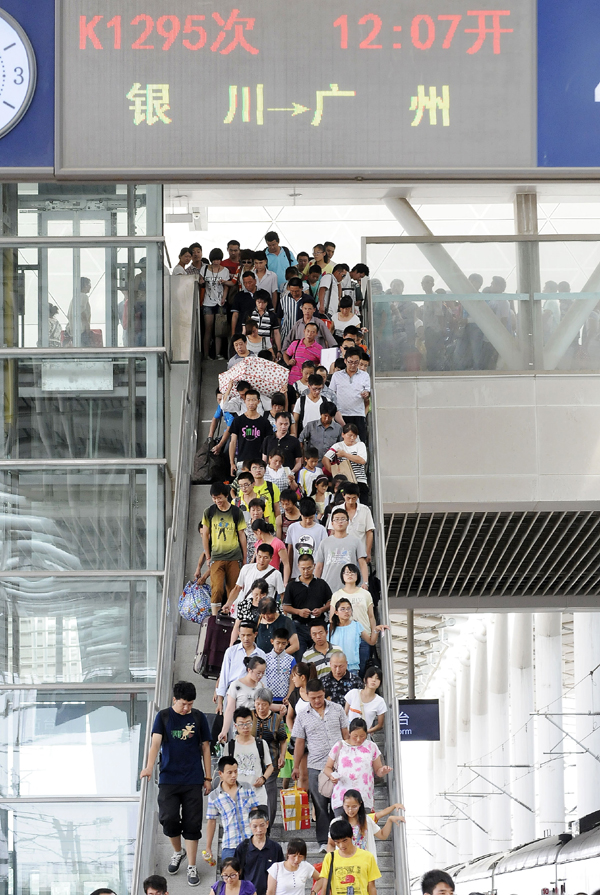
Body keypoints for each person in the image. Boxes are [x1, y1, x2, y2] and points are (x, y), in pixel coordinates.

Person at [140, 681, 212, 887]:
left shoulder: (198, 718)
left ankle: (191, 865)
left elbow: (206, 747)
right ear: (174, 700)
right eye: (183, 704)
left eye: (190, 704)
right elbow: (155, 743)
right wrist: (149, 766)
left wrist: (208, 778)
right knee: (169, 818)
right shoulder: (163, 716)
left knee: (192, 823)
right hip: (169, 778)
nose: (187, 708)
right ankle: (177, 851)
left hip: (193, 779)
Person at [291, 679, 349, 851]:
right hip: (316, 765)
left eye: (320, 697)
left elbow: (345, 734)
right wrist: (295, 766)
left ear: (325, 693)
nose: (317, 701)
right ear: (307, 696)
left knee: (338, 804)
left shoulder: (337, 708)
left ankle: (340, 839)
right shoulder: (302, 715)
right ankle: (324, 841)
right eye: (313, 698)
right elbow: (300, 743)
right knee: (320, 805)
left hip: (339, 765)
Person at [322, 718, 390, 814]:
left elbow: (378, 770)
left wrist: (383, 770)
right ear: (349, 733)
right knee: (342, 827)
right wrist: (332, 775)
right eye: (355, 736)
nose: (359, 739)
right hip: (342, 797)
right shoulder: (340, 746)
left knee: (362, 827)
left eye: (362, 736)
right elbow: (327, 767)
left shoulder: (372, 746)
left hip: (364, 797)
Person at [202, 484, 247, 615]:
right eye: (214, 498)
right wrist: (208, 557)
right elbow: (205, 535)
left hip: (234, 557)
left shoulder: (236, 512)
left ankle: (233, 617)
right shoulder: (209, 512)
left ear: (226, 496)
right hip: (216, 557)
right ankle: (215, 618)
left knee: (233, 589)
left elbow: (241, 535)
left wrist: (244, 558)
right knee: (216, 588)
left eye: (220, 497)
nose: (217, 501)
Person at [206, 756, 261, 862]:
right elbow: (211, 822)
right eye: (229, 772)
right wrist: (208, 847)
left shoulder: (247, 788)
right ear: (220, 774)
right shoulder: (214, 796)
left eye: (236, 771)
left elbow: (255, 812)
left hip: (252, 841)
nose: (234, 775)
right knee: (229, 876)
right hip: (230, 844)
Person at [220, 707, 274, 811]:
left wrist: (263, 778)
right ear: (235, 726)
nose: (245, 727)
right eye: (241, 724)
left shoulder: (261, 744)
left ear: (253, 723)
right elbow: (225, 771)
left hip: (258, 796)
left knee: (259, 826)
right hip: (236, 796)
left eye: (248, 723)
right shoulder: (230, 746)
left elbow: (270, 766)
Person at [332, 565, 382, 676]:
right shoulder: (337, 595)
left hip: (364, 635)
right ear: (342, 576)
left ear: (357, 575)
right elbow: (332, 617)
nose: (349, 575)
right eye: (346, 572)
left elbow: (371, 616)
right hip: (345, 637)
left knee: (362, 668)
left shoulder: (365, 594)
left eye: (352, 572)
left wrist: (374, 631)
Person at [326, 790, 404, 859]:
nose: (350, 810)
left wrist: (390, 820)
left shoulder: (367, 820)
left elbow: (382, 835)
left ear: (360, 804)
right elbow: (331, 843)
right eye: (347, 806)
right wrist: (330, 860)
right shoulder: (336, 822)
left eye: (354, 806)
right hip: (344, 863)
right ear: (343, 805)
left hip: (365, 863)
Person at [283, 553, 332, 660]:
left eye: (309, 568)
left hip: (318, 626)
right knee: (301, 657)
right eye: (303, 568)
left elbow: (331, 602)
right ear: (298, 567)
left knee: (320, 656)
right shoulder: (292, 585)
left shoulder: (321, 583)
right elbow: (285, 606)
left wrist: (321, 610)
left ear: (314, 566)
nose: (306, 571)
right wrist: (298, 612)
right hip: (299, 627)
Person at [251, 689, 289, 825]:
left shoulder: (277, 719)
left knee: (269, 789)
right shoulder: (249, 717)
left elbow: (283, 740)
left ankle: (268, 823)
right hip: (252, 762)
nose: (260, 708)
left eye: (264, 704)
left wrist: (282, 756)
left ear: (270, 704)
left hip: (271, 761)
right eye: (258, 704)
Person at [215, 622, 267, 715]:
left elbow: (264, 679)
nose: (246, 638)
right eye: (243, 635)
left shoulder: (261, 654)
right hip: (232, 693)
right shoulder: (231, 651)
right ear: (238, 634)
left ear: (255, 634)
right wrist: (220, 702)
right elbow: (224, 676)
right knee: (231, 725)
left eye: (249, 635)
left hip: (253, 694)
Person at [318, 819, 381, 895]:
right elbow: (325, 886)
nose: (341, 846)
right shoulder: (330, 858)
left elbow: (371, 887)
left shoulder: (367, 857)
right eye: (337, 842)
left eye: (345, 840)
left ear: (351, 836)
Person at [314, 508, 368, 594]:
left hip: (350, 587)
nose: (340, 522)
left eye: (343, 519)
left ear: (348, 522)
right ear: (332, 523)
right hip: (327, 586)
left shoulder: (356, 541)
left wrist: (365, 582)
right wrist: (315, 585)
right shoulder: (325, 542)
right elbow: (319, 566)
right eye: (336, 519)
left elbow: (362, 563)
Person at [234, 808, 283, 895]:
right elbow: (236, 873)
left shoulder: (275, 848)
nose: (259, 830)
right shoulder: (242, 848)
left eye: (262, 825)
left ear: (267, 824)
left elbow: (281, 873)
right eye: (255, 826)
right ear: (250, 826)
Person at [220, 657, 269, 739]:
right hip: (241, 726)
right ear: (250, 670)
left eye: (263, 673)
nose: (260, 676)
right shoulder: (236, 685)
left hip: (258, 728)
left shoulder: (261, 686)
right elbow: (229, 709)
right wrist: (224, 731)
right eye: (258, 673)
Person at [329, 349, 371, 444]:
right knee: (341, 443)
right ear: (345, 361)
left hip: (358, 414)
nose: (353, 365)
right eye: (350, 362)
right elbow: (331, 394)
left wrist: (366, 394)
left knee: (359, 443)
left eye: (356, 363)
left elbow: (368, 392)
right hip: (341, 415)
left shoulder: (365, 376)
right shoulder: (336, 376)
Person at [329, 598, 378, 675]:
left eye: (348, 609)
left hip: (352, 669)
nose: (346, 611)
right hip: (334, 669)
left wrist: (376, 630)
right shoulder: (330, 628)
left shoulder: (356, 625)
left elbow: (371, 642)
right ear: (336, 612)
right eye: (342, 609)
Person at [230, 390, 273, 477]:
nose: (251, 402)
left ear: (258, 401)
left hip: (259, 462)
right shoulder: (238, 421)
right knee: (244, 487)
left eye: (253, 400)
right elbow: (233, 442)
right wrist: (232, 463)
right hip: (242, 461)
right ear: (245, 401)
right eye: (248, 400)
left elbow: (269, 443)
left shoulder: (264, 422)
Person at [323, 425, 369, 504]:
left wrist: (345, 455)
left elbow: (362, 460)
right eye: (350, 435)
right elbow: (325, 459)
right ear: (343, 434)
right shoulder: (338, 446)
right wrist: (334, 473)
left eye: (354, 436)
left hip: (359, 481)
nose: (352, 438)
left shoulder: (360, 445)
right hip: (345, 481)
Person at [285, 497, 329, 579]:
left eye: (311, 518)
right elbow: (290, 552)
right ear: (300, 514)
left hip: (315, 574)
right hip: (296, 574)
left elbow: (324, 553)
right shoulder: (292, 528)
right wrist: (289, 573)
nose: (308, 521)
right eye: (305, 518)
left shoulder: (321, 530)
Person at [329, 485, 374, 562]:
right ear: (343, 495)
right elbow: (332, 531)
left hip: (359, 554)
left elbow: (369, 532)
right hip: (340, 554)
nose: (351, 501)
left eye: (354, 498)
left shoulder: (365, 510)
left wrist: (368, 552)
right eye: (348, 498)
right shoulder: (336, 510)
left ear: (358, 496)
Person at [229, 579, 273, 646]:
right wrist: (231, 646)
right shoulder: (244, 604)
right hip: (246, 641)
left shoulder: (271, 605)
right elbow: (237, 626)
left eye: (262, 595)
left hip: (264, 641)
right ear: (252, 592)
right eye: (256, 594)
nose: (258, 598)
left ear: (266, 594)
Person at [345, 667, 387, 736]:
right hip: (348, 735)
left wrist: (367, 731)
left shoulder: (380, 701)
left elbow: (380, 725)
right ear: (365, 679)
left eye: (377, 678)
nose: (374, 680)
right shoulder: (353, 693)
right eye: (371, 677)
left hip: (363, 737)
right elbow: (344, 715)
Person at [246, 291, 282, 359]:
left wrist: (279, 350)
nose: (261, 305)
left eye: (263, 302)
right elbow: (244, 331)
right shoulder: (249, 314)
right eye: (259, 302)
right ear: (255, 301)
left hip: (266, 346)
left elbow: (276, 333)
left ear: (267, 303)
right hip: (251, 344)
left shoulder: (272, 316)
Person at [264, 629, 296, 706]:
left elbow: (292, 679)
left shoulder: (291, 659)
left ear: (287, 643)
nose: (280, 646)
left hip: (284, 699)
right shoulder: (265, 658)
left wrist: (289, 696)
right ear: (272, 641)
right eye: (277, 643)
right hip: (268, 698)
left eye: (283, 643)